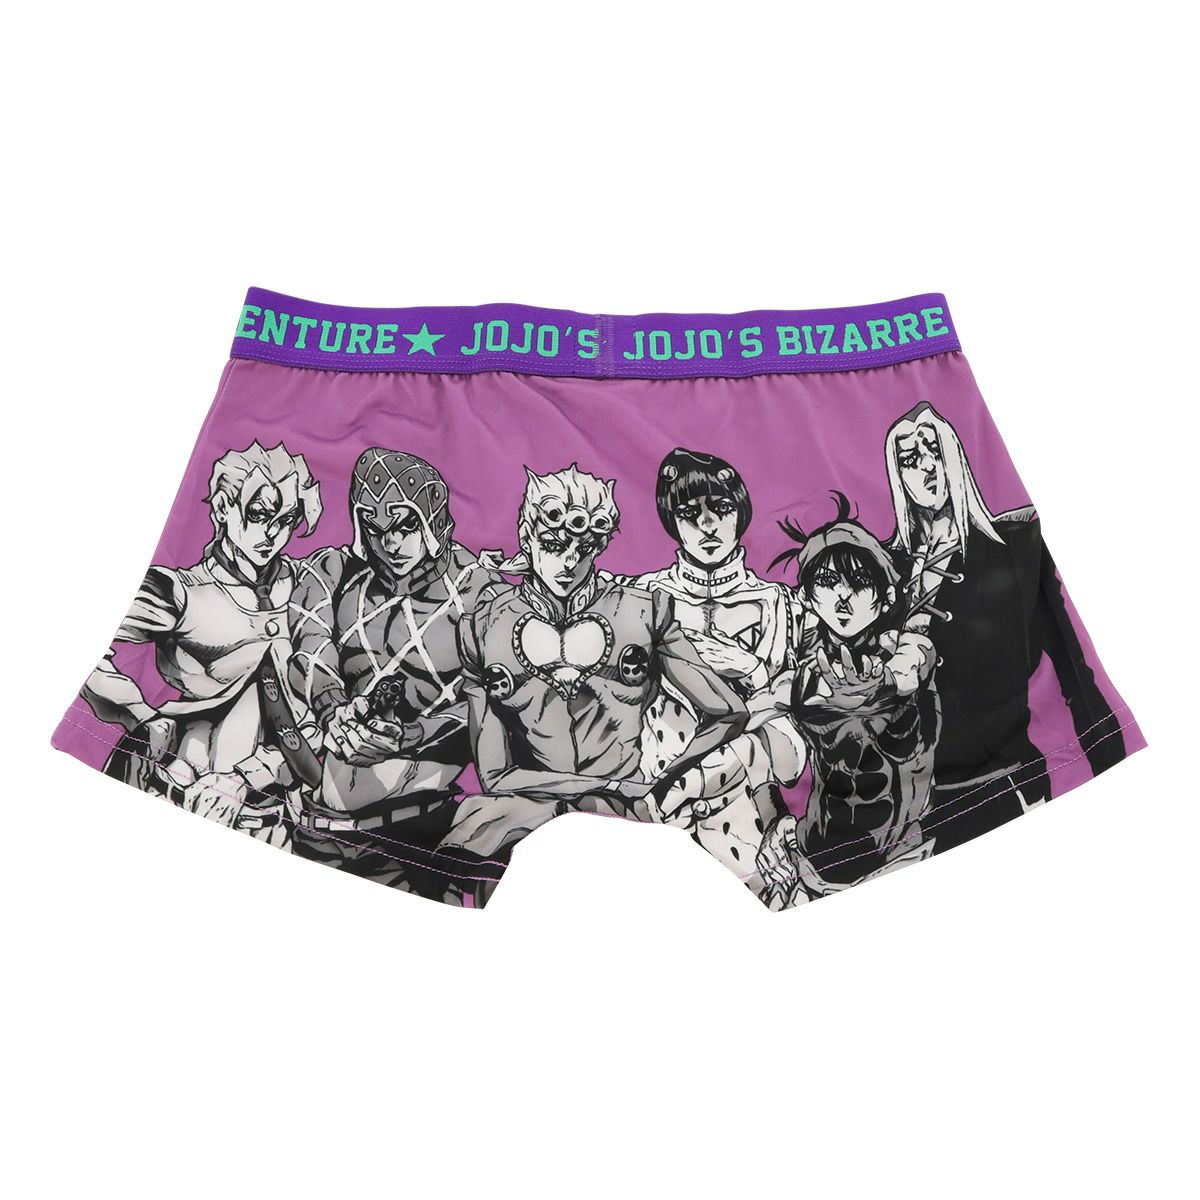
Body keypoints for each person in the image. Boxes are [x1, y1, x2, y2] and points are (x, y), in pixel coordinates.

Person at [440, 463, 748, 900]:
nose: (568, 561)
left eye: (583, 548)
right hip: (522, 824)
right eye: (553, 545)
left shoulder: (645, 611)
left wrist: (663, 778)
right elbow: (495, 775)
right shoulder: (482, 628)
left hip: (626, 828)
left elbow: (729, 711)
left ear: (599, 545)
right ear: (527, 538)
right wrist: (609, 787)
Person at [884, 402, 1125, 851]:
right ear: (898, 476)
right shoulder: (884, 569)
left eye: (934, 450)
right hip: (912, 807)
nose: (927, 467)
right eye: (910, 459)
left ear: (953, 455)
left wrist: (1107, 752)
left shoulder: (1009, 546)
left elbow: (1072, 665)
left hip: (1009, 783)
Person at [82, 441, 324, 845]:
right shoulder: (181, 591)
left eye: (286, 520)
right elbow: (92, 661)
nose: (271, 533)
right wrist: (139, 715)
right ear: (225, 507)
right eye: (258, 514)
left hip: (272, 812)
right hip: (173, 789)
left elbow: (323, 707)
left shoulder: (312, 585)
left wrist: (250, 775)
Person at [287, 448, 502, 898]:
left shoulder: (477, 593)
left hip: (415, 833)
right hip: (320, 828)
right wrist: (333, 709)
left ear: (432, 521)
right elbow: (309, 648)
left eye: (406, 526)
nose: (392, 543)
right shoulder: (336, 573)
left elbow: (495, 705)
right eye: (376, 528)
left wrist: (412, 735)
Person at [634, 448, 807, 893]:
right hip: (651, 807)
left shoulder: (780, 605)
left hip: (750, 807)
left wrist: (751, 669)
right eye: (690, 513)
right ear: (672, 521)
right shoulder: (642, 596)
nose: (707, 524)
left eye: (721, 508)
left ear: (740, 512)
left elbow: (799, 733)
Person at [757, 493, 939, 904]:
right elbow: (747, 736)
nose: (843, 596)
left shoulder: (906, 648)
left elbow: (909, 668)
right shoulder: (803, 678)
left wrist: (882, 685)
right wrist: (773, 818)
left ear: (885, 595)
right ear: (808, 597)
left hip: (910, 858)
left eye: (858, 582)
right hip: (817, 871)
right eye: (827, 583)